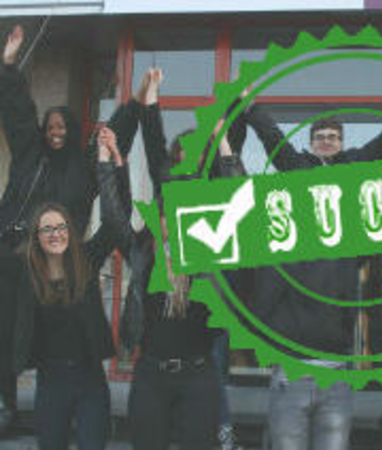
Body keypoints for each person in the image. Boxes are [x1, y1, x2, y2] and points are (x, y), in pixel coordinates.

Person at [242, 83, 382, 450]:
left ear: (341, 143)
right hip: (297, 325)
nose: (327, 142)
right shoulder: (296, 167)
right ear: (312, 143)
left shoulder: (354, 165)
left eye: (333, 137)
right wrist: (250, 107)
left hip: (338, 320)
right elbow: (272, 138)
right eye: (321, 137)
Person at [0, 25, 139, 426]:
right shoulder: (30, 154)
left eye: (62, 128)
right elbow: (18, 114)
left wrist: (134, 108)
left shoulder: (84, 169)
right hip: (12, 252)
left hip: (57, 261)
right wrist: (8, 65)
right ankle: (6, 404)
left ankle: (71, 401)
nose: (55, 134)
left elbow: (114, 149)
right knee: (4, 327)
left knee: (52, 331)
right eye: (50, 129)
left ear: (73, 131)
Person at [104, 68, 246, 450]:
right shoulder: (160, 208)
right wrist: (150, 96)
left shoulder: (213, 216)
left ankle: (222, 428)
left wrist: (227, 128)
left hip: (199, 361)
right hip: (153, 367)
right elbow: (154, 144)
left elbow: (238, 196)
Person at [0, 125, 123, 450]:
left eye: (61, 226)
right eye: (47, 229)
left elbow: (114, 222)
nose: (55, 234)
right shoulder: (24, 270)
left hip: (90, 379)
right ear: (37, 237)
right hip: (50, 382)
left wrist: (108, 162)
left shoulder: (87, 259)